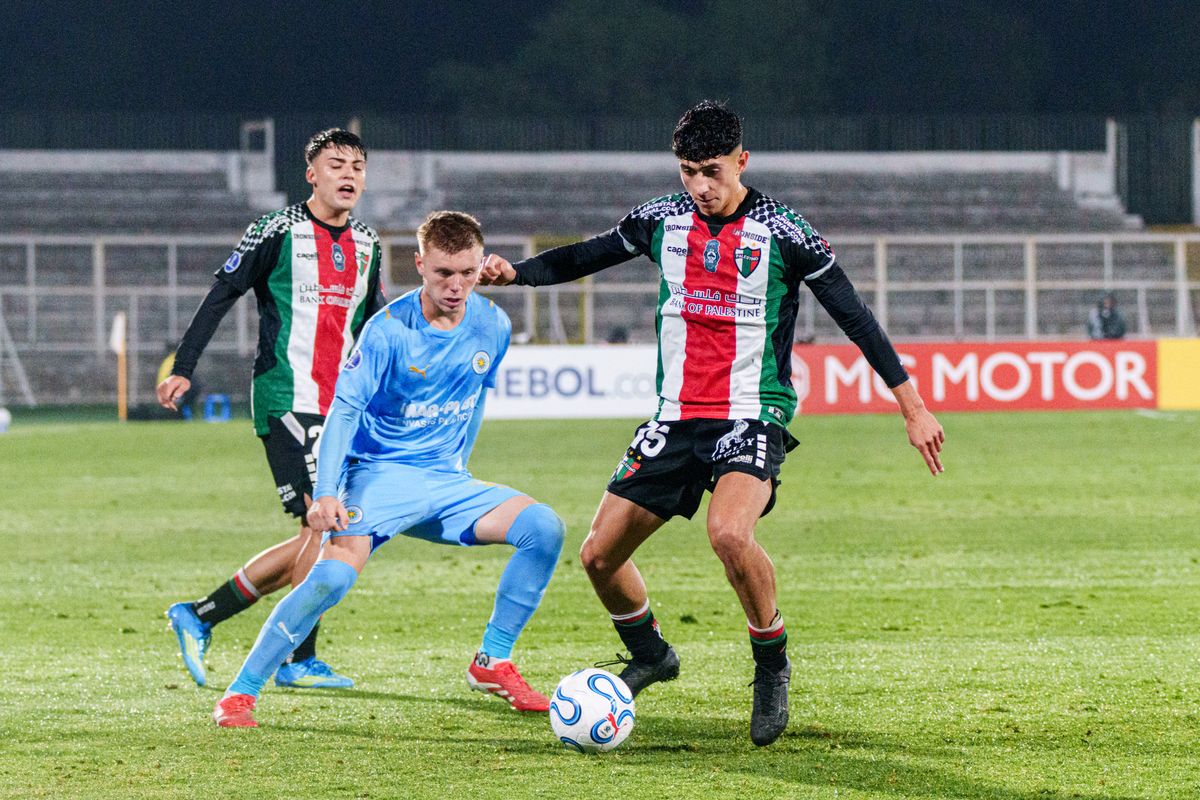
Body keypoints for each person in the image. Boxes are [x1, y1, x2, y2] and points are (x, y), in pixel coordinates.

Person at [480, 100, 945, 747]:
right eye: (688, 171)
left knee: (728, 533)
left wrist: (912, 405)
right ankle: (652, 655)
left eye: (712, 171)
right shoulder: (661, 221)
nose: (700, 185)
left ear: (741, 161)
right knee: (598, 555)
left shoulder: (784, 231)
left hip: (753, 411)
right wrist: (518, 274)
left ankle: (771, 663)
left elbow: (855, 316)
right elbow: (584, 257)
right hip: (675, 417)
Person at [211, 211, 566, 728]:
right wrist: (326, 491)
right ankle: (240, 693)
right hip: (378, 477)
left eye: (467, 273)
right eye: (443, 273)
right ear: (419, 264)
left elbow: (475, 398)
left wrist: (458, 467)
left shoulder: (494, 324)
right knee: (331, 578)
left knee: (544, 527)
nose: (456, 286)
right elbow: (343, 412)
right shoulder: (387, 331)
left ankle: (492, 661)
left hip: (445, 481)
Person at [158, 128, 385, 690]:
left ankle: (200, 615)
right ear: (311, 174)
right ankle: (296, 659)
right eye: (336, 164)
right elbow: (222, 293)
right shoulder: (278, 229)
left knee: (317, 536)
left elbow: (374, 323)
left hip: (342, 408)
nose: (348, 174)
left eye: (357, 165)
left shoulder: (369, 242)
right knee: (324, 526)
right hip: (287, 396)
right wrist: (183, 366)